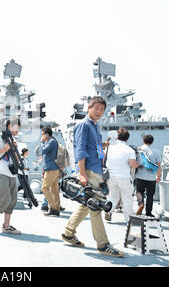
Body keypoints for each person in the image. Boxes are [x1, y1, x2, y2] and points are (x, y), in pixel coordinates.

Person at [61, 96, 125, 257]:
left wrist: (104, 145)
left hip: (95, 170)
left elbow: (94, 148)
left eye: (102, 110)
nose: (99, 112)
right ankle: (103, 245)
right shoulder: (83, 125)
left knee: (87, 204)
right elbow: (80, 151)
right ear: (89, 108)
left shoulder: (95, 127)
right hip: (87, 170)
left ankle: (69, 233)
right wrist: (82, 174)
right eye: (96, 108)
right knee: (96, 206)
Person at [0, 117, 21, 235]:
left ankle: (6, 226)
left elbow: (16, 158)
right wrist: (4, 149)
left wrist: (15, 149)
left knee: (13, 200)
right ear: (9, 126)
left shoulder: (14, 140)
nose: (17, 130)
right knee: (5, 198)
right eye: (16, 127)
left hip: (11, 172)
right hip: (1, 171)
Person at [104, 128, 139, 222]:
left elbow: (103, 160)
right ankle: (129, 218)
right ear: (127, 139)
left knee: (113, 195)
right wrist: (137, 164)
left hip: (110, 176)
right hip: (124, 177)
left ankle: (109, 211)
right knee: (127, 197)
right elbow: (132, 164)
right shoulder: (129, 150)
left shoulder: (109, 147)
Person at [135, 134, 162, 217]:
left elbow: (134, 162)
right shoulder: (156, 152)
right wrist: (158, 176)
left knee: (139, 192)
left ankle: (141, 204)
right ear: (152, 142)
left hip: (140, 176)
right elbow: (159, 166)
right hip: (151, 178)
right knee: (150, 195)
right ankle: (148, 212)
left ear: (143, 141)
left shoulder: (138, 150)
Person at [40, 127, 62, 216]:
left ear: (46, 134)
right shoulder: (50, 141)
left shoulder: (51, 141)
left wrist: (41, 142)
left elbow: (44, 150)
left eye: (42, 134)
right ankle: (56, 208)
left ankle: (53, 208)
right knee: (54, 189)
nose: (42, 137)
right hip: (52, 168)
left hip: (51, 169)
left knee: (44, 188)